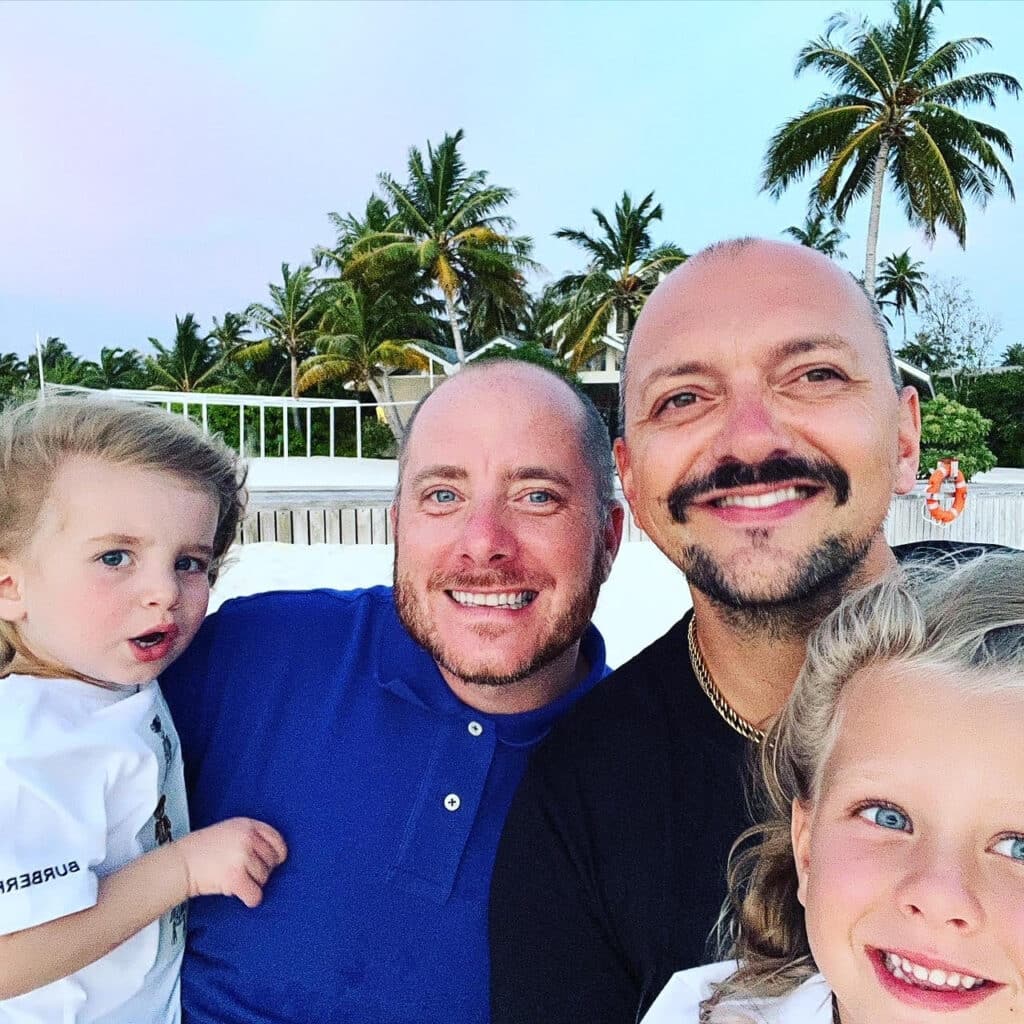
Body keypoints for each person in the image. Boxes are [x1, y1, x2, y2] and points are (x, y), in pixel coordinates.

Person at [488, 238, 993, 1023]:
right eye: (683, 399)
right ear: (630, 474)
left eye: (814, 376)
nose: (752, 439)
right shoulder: (581, 801)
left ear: (903, 435)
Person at [159, 360, 624, 1024]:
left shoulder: (646, 780)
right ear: (397, 524)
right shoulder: (249, 652)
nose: (483, 544)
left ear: (608, 539)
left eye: (537, 496)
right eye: (442, 496)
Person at [642, 551, 1024, 1024]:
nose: (937, 895)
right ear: (806, 848)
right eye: (888, 816)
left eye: (1018, 847)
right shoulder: (694, 1012)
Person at [0, 397, 286, 1022]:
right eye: (114, 558)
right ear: (10, 586)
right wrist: (182, 870)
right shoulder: (25, 743)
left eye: (189, 563)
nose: (163, 592)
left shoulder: (115, 682)